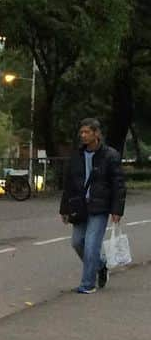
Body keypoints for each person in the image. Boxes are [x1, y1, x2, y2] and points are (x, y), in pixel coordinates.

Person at [59, 117, 125, 293]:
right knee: (77, 242)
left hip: (100, 207)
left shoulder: (110, 155)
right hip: (80, 206)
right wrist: (64, 209)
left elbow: (118, 184)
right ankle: (101, 265)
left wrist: (117, 210)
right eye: (81, 132)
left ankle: (87, 285)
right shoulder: (77, 156)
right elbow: (69, 184)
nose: (83, 135)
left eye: (87, 132)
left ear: (97, 133)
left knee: (91, 245)